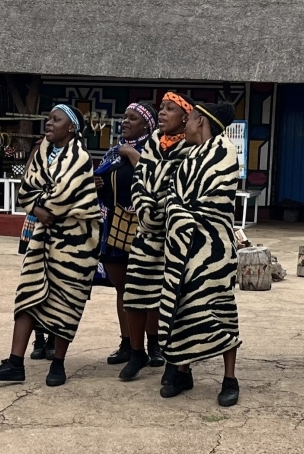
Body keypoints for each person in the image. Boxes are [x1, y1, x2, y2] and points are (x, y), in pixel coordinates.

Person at [0, 104, 100, 387]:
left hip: (76, 243)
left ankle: (58, 364)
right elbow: (26, 188)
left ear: (70, 127)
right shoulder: (42, 153)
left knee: (66, 300)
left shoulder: (81, 158)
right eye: (48, 118)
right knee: (28, 294)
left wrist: (40, 206)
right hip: (43, 238)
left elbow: (65, 196)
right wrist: (36, 206)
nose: (49, 123)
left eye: (55, 120)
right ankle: (14, 363)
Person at [157, 101, 244, 407]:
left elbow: (215, 201)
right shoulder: (190, 154)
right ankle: (183, 371)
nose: (186, 126)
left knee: (220, 309)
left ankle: (230, 379)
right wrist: (173, 207)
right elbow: (174, 197)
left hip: (214, 250)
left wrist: (176, 209)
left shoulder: (224, 150)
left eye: (190, 119)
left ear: (201, 121)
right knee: (183, 308)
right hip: (185, 248)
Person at [126, 93, 195, 376]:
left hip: (172, 240)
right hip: (145, 234)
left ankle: (168, 356)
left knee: (167, 300)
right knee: (134, 296)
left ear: (185, 117)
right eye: (161, 109)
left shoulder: (191, 150)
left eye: (170, 109)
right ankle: (136, 353)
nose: (163, 114)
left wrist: (162, 211)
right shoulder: (152, 144)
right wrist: (144, 208)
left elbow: (181, 191)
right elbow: (139, 180)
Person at [93, 102, 156, 379]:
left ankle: (153, 345)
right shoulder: (113, 152)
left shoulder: (154, 151)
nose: (125, 122)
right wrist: (97, 184)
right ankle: (128, 343)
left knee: (147, 288)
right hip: (113, 227)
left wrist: (133, 155)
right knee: (123, 289)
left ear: (147, 125)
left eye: (133, 118)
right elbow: (102, 179)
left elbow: (154, 179)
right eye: (125, 117)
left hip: (143, 229)